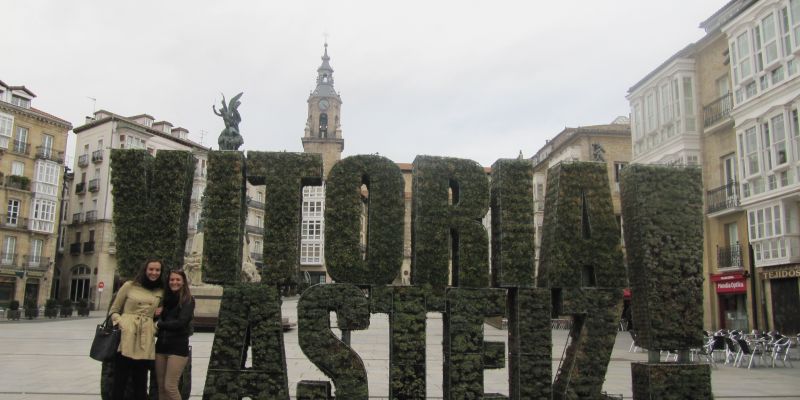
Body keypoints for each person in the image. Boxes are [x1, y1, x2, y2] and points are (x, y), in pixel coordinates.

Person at [109, 259, 165, 400]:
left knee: (141, 380)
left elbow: (168, 310)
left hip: (145, 337)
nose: (154, 272)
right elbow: (114, 310)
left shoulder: (161, 290)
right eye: (151, 269)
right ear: (145, 270)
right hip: (126, 336)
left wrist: (155, 326)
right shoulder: (129, 285)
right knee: (120, 380)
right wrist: (121, 323)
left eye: (157, 270)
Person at [155, 269, 195, 400]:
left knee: (170, 386)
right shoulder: (164, 300)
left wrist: (160, 325)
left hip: (177, 348)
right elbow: (156, 319)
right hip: (161, 347)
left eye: (178, 279)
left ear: (183, 282)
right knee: (161, 387)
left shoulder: (188, 300)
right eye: (172, 279)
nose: (174, 282)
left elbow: (181, 323)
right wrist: (156, 315)